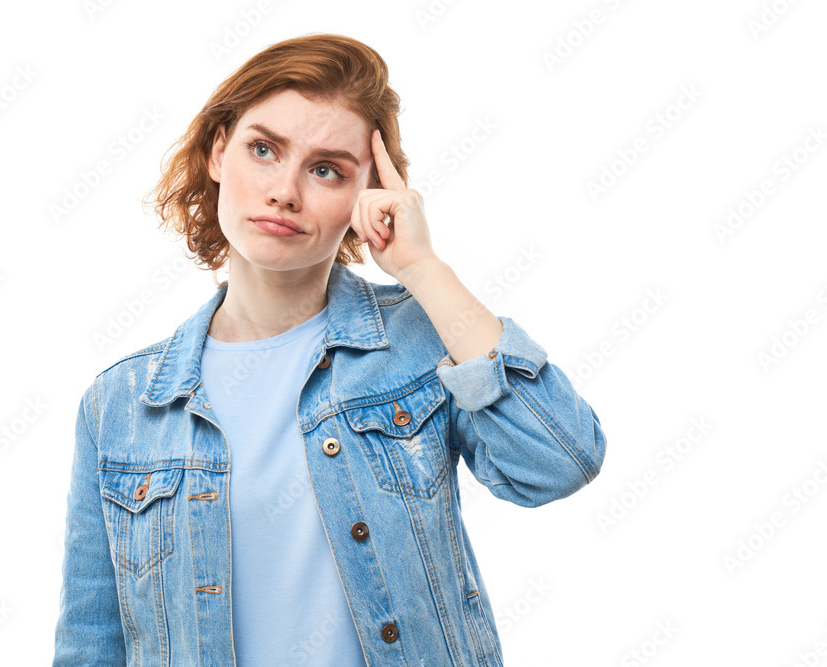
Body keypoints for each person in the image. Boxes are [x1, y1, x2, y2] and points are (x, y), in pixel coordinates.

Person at [52, 33, 607, 666]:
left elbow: (562, 460)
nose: (286, 190)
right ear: (217, 152)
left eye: (326, 170)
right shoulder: (122, 403)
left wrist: (422, 267)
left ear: (367, 196)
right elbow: (92, 639)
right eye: (264, 150)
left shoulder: (422, 345)